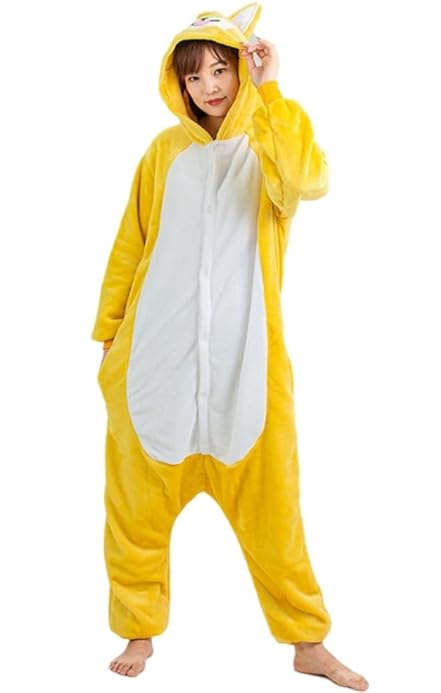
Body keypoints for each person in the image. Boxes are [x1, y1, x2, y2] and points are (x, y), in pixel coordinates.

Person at [91, 3, 369, 690]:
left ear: (243, 68)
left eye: (221, 69)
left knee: (277, 516)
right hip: (154, 365)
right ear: (177, 84)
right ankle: (137, 628)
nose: (209, 86)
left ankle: (308, 642)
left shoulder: (268, 143)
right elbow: (131, 244)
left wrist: (271, 91)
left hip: (246, 370)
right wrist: (109, 335)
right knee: (134, 513)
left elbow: (308, 180)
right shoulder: (164, 153)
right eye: (194, 76)